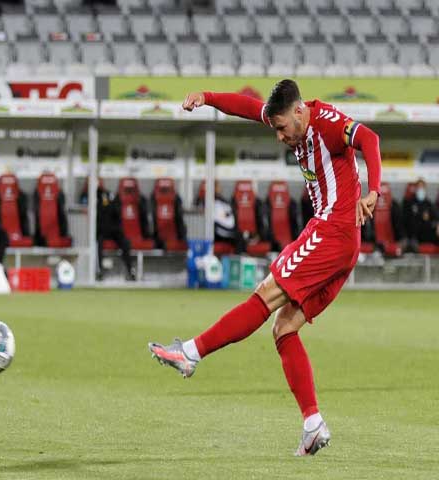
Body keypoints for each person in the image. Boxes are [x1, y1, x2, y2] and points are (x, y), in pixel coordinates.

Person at [148, 79, 382, 456]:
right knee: (284, 328)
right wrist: (207, 98)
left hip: (333, 230)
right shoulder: (290, 120)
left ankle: (191, 353)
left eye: (282, 128)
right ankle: (312, 424)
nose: (279, 136)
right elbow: (244, 106)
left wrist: (374, 192)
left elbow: (370, 139)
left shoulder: (328, 123)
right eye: (274, 128)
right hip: (338, 239)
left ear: (299, 111)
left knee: (266, 293)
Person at [404, 178, 439, 250]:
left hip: (427, 233)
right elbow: (407, 221)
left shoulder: (428, 204)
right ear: (415, 189)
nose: (420, 189)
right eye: (418, 187)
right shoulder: (409, 203)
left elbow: (436, 217)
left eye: (422, 187)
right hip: (415, 235)